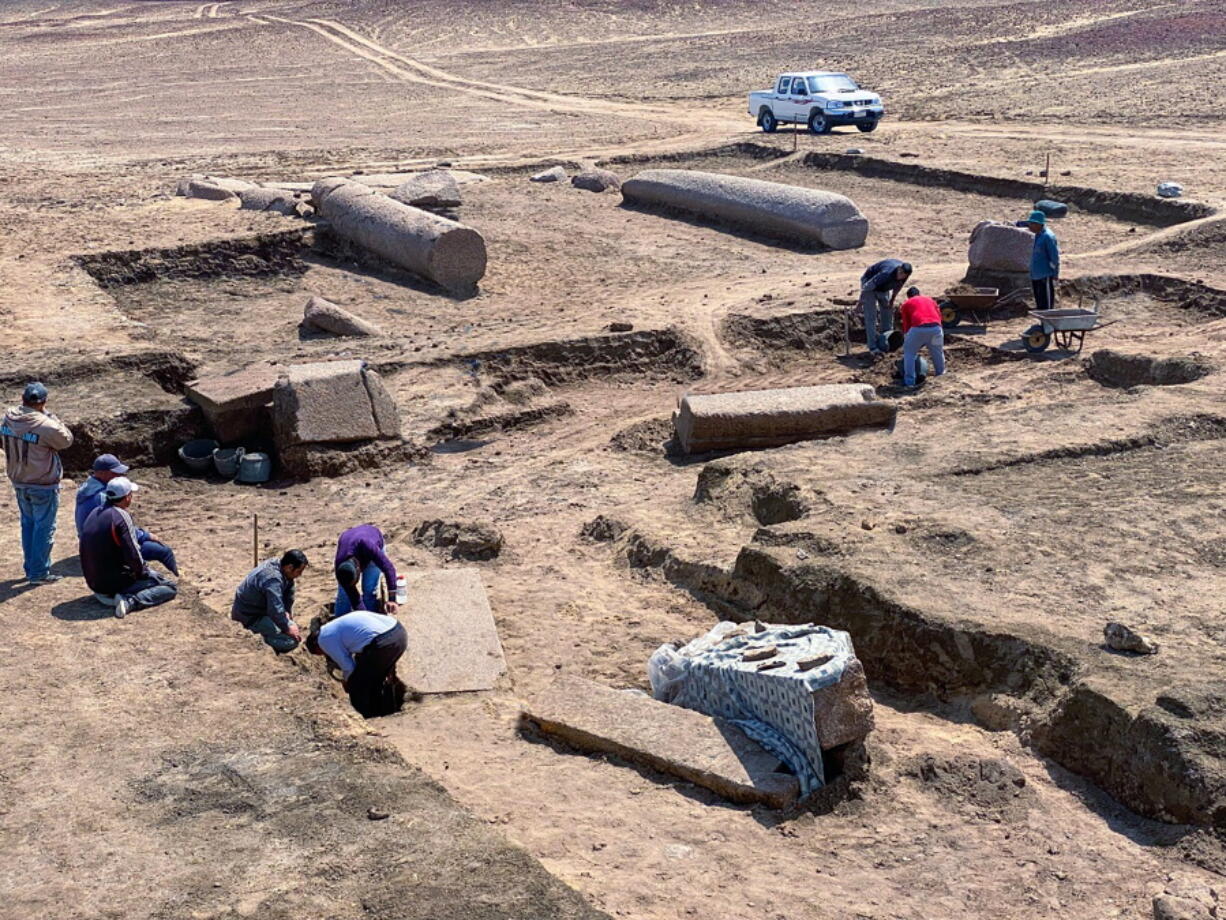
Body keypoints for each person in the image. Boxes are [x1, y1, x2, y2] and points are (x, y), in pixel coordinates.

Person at [4, 382, 73, 584]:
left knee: (28, 525)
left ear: (22, 400)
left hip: (19, 480)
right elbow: (67, 440)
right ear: (43, 402)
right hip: (42, 483)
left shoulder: (8, 419)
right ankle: (39, 573)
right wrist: (49, 416)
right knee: (44, 528)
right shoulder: (45, 424)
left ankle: (31, 569)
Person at [79, 477, 177, 618]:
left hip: (95, 583)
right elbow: (133, 553)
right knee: (169, 587)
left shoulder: (95, 512)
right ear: (127, 497)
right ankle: (130, 601)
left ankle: (120, 594)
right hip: (112, 584)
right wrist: (144, 574)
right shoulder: (121, 516)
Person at [75, 453, 179, 576]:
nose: (119, 475)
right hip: (103, 548)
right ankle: (176, 577)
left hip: (89, 542)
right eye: (115, 473)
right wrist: (145, 535)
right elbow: (121, 528)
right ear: (102, 473)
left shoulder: (88, 488)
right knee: (163, 551)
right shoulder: (103, 498)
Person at [307, 609, 408, 718]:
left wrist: (347, 681)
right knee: (376, 678)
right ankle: (383, 709)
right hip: (399, 633)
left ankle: (365, 716)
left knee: (357, 684)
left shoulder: (323, 640)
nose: (326, 655)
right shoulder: (332, 628)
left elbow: (348, 667)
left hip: (384, 644)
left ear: (317, 647)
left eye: (321, 653)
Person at [231, 550, 309, 653]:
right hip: (249, 617)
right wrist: (287, 627)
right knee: (291, 642)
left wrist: (287, 613)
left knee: (287, 627)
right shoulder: (272, 579)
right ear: (290, 567)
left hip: (262, 610)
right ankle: (257, 640)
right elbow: (275, 608)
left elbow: (288, 592)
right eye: (298, 571)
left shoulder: (281, 567)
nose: (300, 575)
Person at [334, 524, 398, 616]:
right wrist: (363, 615)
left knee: (369, 589)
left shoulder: (368, 546)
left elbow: (389, 568)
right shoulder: (341, 569)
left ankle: (372, 615)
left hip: (372, 540)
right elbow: (355, 599)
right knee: (344, 596)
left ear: (358, 568)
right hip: (350, 539)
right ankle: (340, 623)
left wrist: (392, 599)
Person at [859, 260, 913, 356]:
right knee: (871, 317)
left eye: (903, 275)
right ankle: (873, 347)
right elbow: (866, 287)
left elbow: (898, 286)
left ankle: (887, 340)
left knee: (887, 313)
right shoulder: (886, 273)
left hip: (884, 287)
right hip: (869, 284)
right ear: (899, 268)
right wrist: (860, 303)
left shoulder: (905, 275)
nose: (900, 275)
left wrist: (892, 300)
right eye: (900, 272)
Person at [898, 286, 946, 388]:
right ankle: (941, 375)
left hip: (918, 329)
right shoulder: (930, 300)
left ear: (909, 297)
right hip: (936, 328)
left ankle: (909, 382)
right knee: (937, 352)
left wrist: (908, 337)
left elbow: (906, 323)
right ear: (919, 294)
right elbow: (939, 315)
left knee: (909, 354)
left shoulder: (907, 303)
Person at [1025, 210, 1060, 312]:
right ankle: (1042, 324)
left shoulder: (1048, 237)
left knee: (1046, 304)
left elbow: (1054, 258)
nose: (1029, 226)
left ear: (1039, 224)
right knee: (1039, 302)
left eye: (1032, 223)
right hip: (1035, 275)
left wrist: (1055, 274)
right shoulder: (1036, 235)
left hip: (1045, 275)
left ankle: (1048, 324)